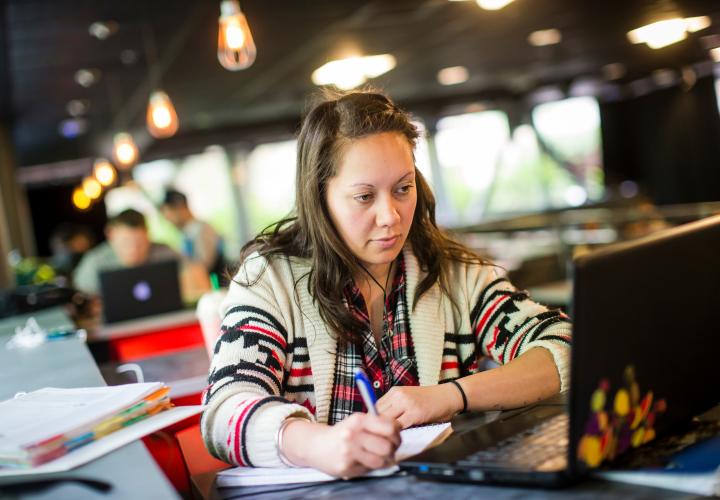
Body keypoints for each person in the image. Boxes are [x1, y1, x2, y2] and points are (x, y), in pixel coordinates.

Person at [201, 91, 571, 478]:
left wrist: (451, 396)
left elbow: (562, 343)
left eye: (403, 188)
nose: (390, 216)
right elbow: (222, 412)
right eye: (364, 196)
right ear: (320, 197)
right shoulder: (270, 280)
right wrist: (314, 443)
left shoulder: (453, 274)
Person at [73, 208, 209, 303]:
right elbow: (80, 297)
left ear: (148, 235)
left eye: (140, 243)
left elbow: (197, 276)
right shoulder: (94, 263)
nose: (133, 249)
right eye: (126, 242)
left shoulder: (165, 253)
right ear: (110, 235)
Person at [160, 189, 226, 279]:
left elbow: (204, 267)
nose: (168, 221)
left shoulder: (204, 230)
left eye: (168, 214)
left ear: (180, 207)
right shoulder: (187, 234)